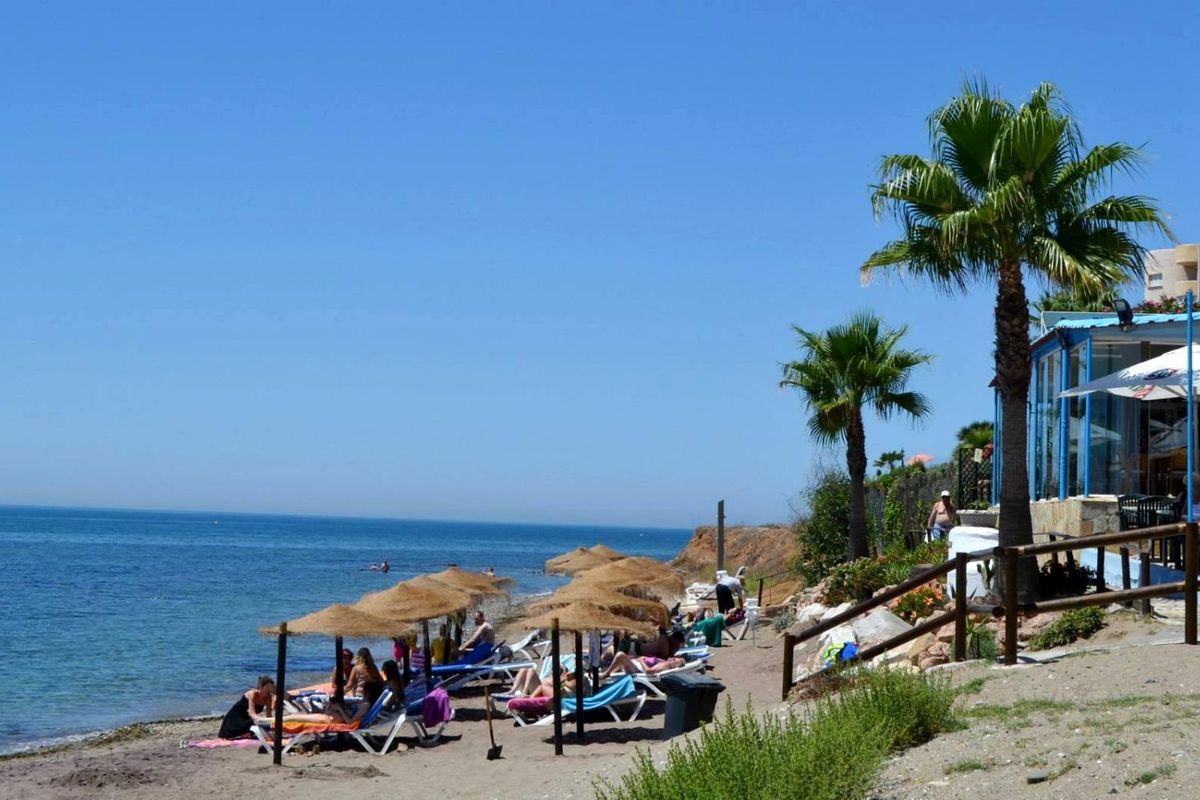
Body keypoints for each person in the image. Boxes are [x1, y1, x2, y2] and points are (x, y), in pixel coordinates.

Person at [600, 652, 684, 678]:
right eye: (674, 658)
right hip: (635, 664)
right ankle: (604, 672)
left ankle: (606, 674)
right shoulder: (664, 662)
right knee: (609, 656)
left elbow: (648, 671)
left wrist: (641, 661)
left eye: (675, 660)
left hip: (636, 670)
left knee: (620, 655)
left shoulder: (665, 666)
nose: (672, 658)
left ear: (674, 665)